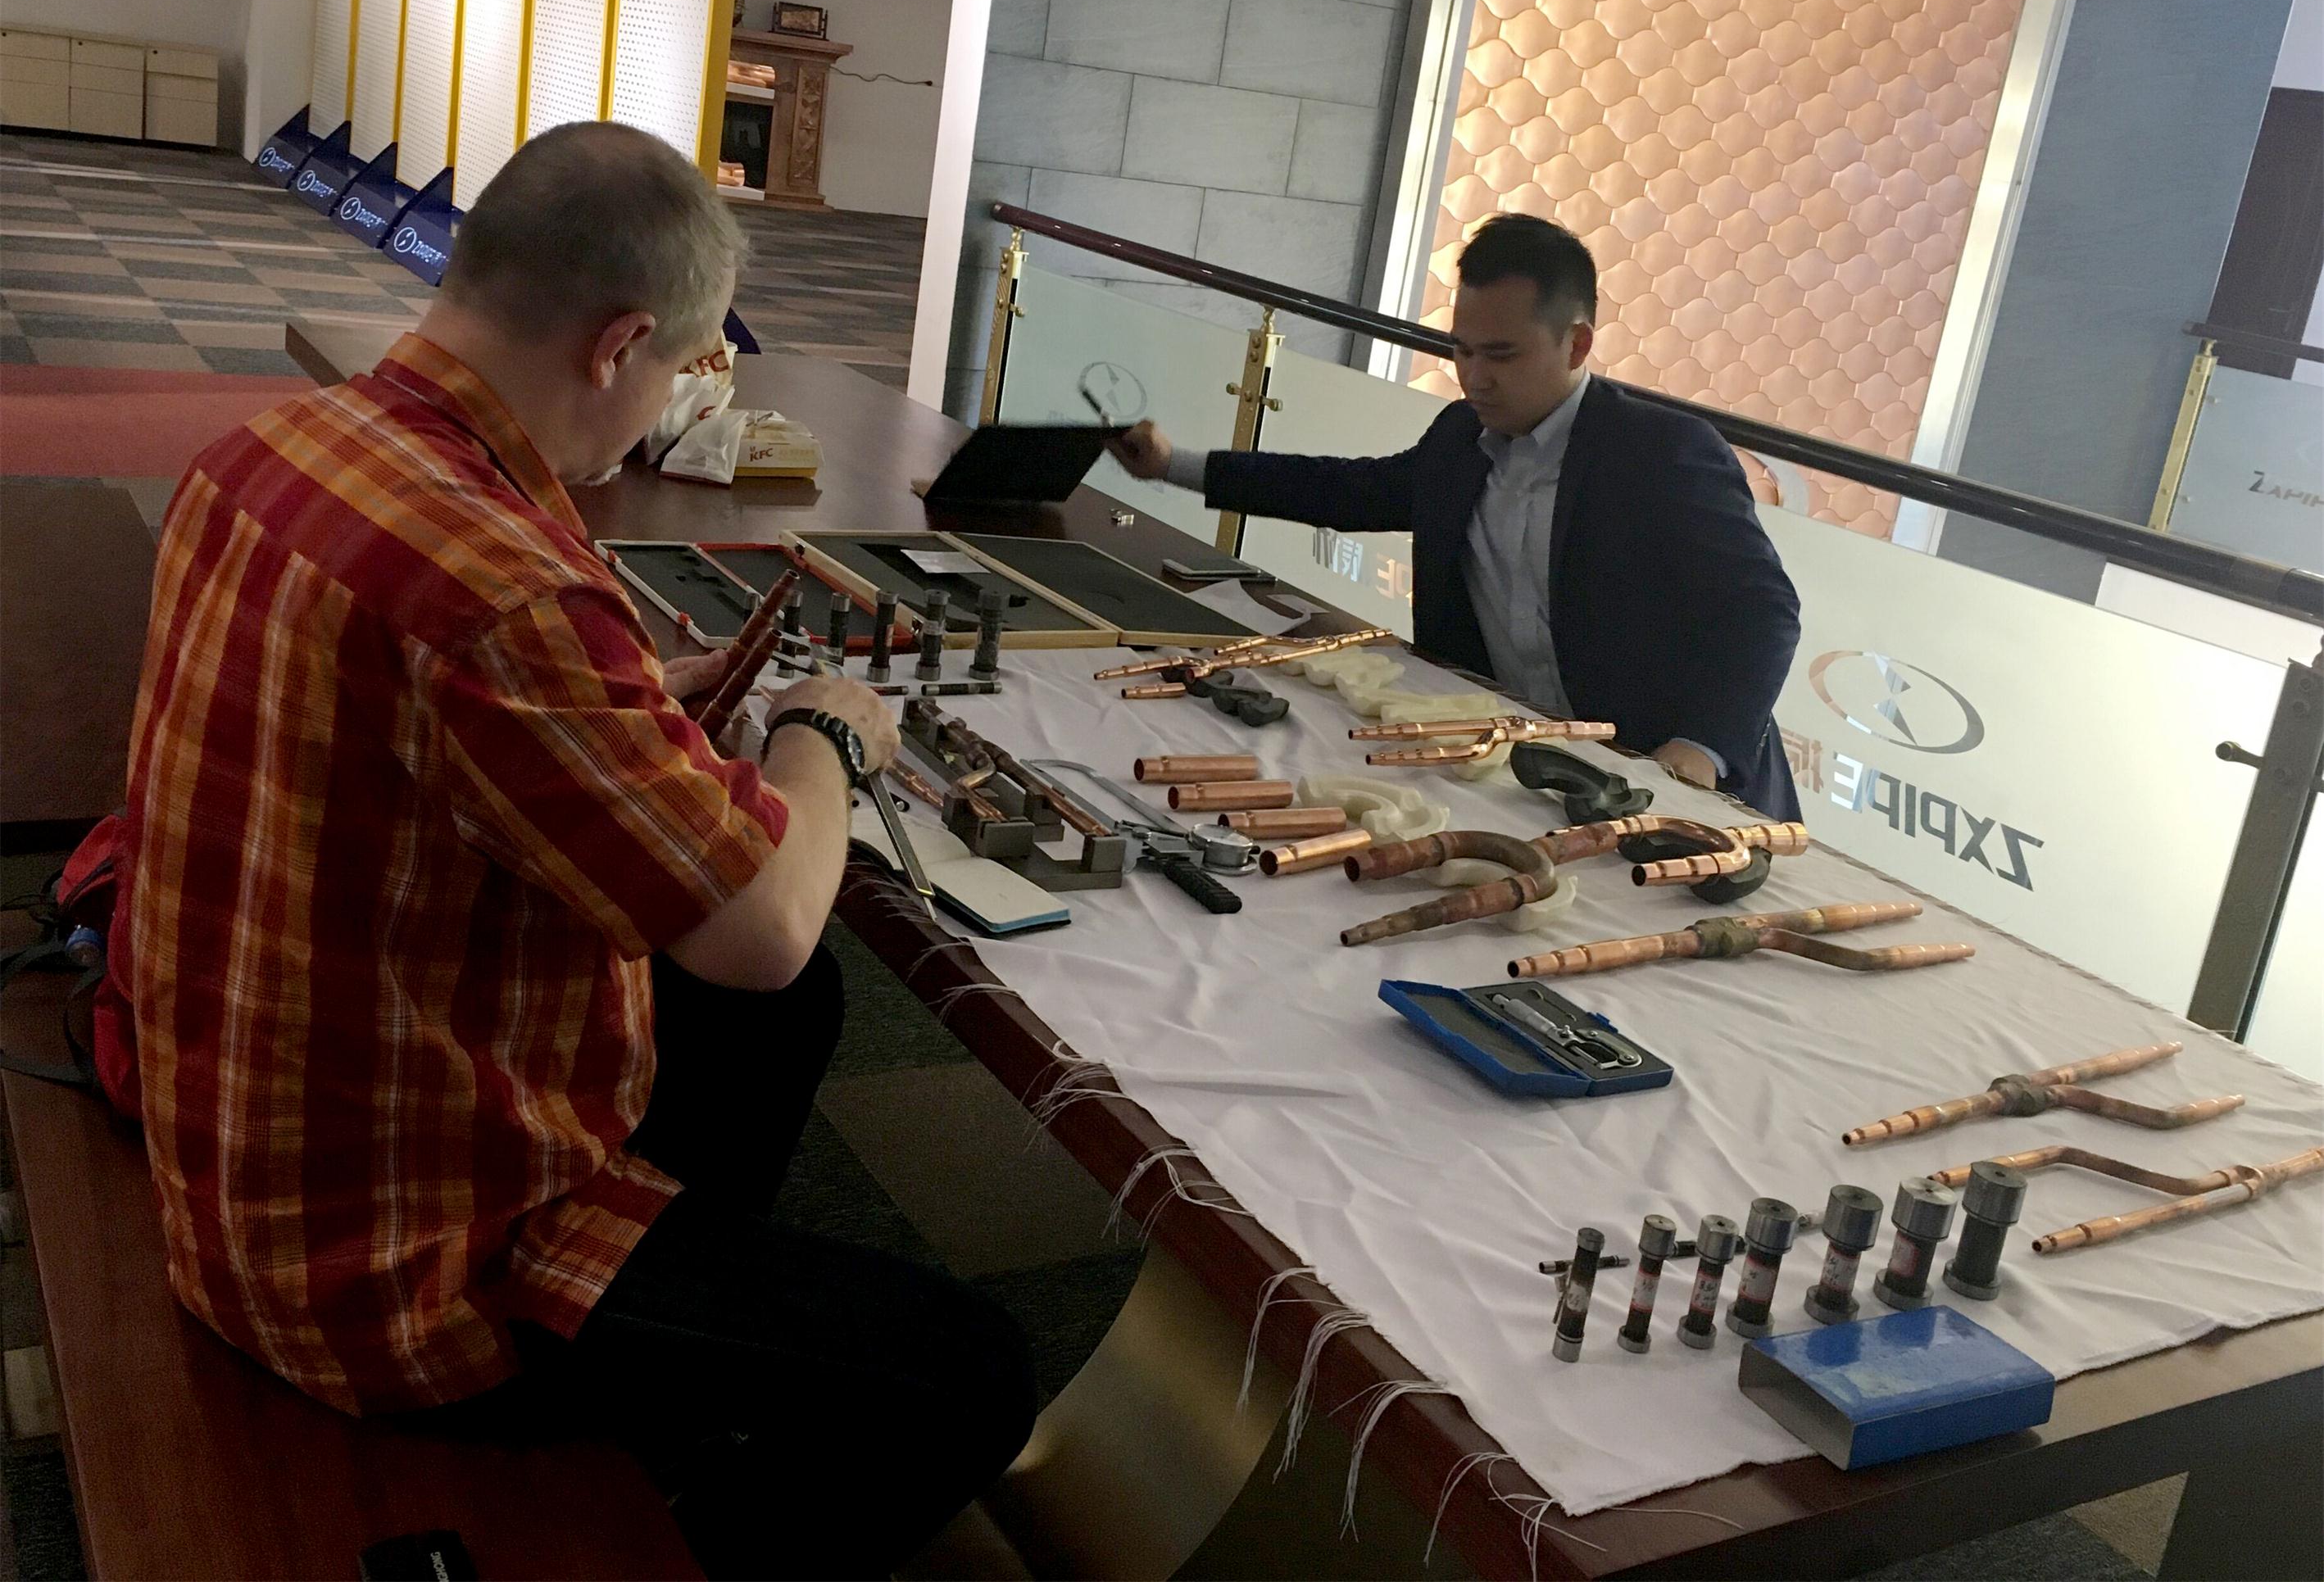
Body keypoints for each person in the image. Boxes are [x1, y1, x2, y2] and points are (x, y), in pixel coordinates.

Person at [117, 121, 1033, 1576]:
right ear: (618, 346)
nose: (672, 402)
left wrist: (622, 711)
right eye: (685, 370)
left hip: (237, 1133)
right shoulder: (508, 586)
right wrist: (826, 739)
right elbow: (762, 927)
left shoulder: (271, 448)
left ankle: (674, 1369)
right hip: (386, 1269)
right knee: (971, 1373)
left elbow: (405, 721)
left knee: (789, 1018)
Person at [1112, 213, 1804, 819]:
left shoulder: (1662, 453)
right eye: (1462, 350)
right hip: (1511, 776)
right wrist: (1173, 464)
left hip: (1663, 788)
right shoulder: (1459, 438)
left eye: (1501, 355)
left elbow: (1762, 612)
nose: (1473, 377)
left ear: (1576, 345)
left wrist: (1698, 752)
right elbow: (1345, 491)